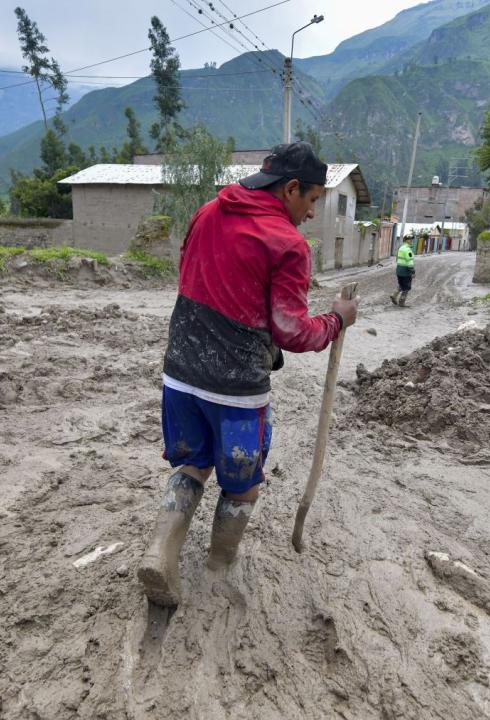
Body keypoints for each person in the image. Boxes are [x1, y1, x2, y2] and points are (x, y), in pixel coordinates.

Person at [139, 142, 359, 607]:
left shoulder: (208, 211)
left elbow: (189, 273)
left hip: (179, 374)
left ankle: (160, 552)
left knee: (192, 464)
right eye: (313, 200)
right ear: (291, 188)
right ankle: (219, 564)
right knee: (243, 480)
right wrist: (337, 319)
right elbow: (293, 331)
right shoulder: (286, 243)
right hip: (237, 390)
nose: (311, 213)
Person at [391, 236, 415, 306]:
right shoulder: (408, 249)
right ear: (407, 241)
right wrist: (412, 271)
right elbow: (410, 261)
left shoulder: (401, 248)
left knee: (401, 284)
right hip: (406, 271)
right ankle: (402, 302)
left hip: (399, 270)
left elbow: (397, 259)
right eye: (410, 240)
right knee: (407, 287)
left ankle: (394, 294)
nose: (411, 241)